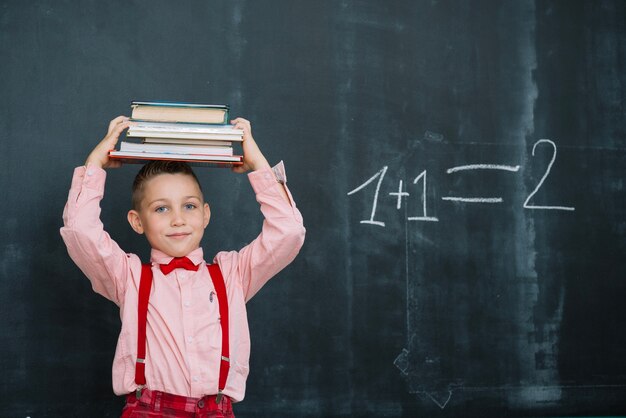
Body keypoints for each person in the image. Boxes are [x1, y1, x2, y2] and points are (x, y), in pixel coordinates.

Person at [60, 116, 305, 417]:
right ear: (138, 221)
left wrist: (258, 165)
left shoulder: (233, 274)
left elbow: (289, 232)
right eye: (161, 208)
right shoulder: (129, 277)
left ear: (205, 215)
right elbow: (80, 232)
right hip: (148, 410)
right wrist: (95, 163)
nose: (178, 219)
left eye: (188, 206)